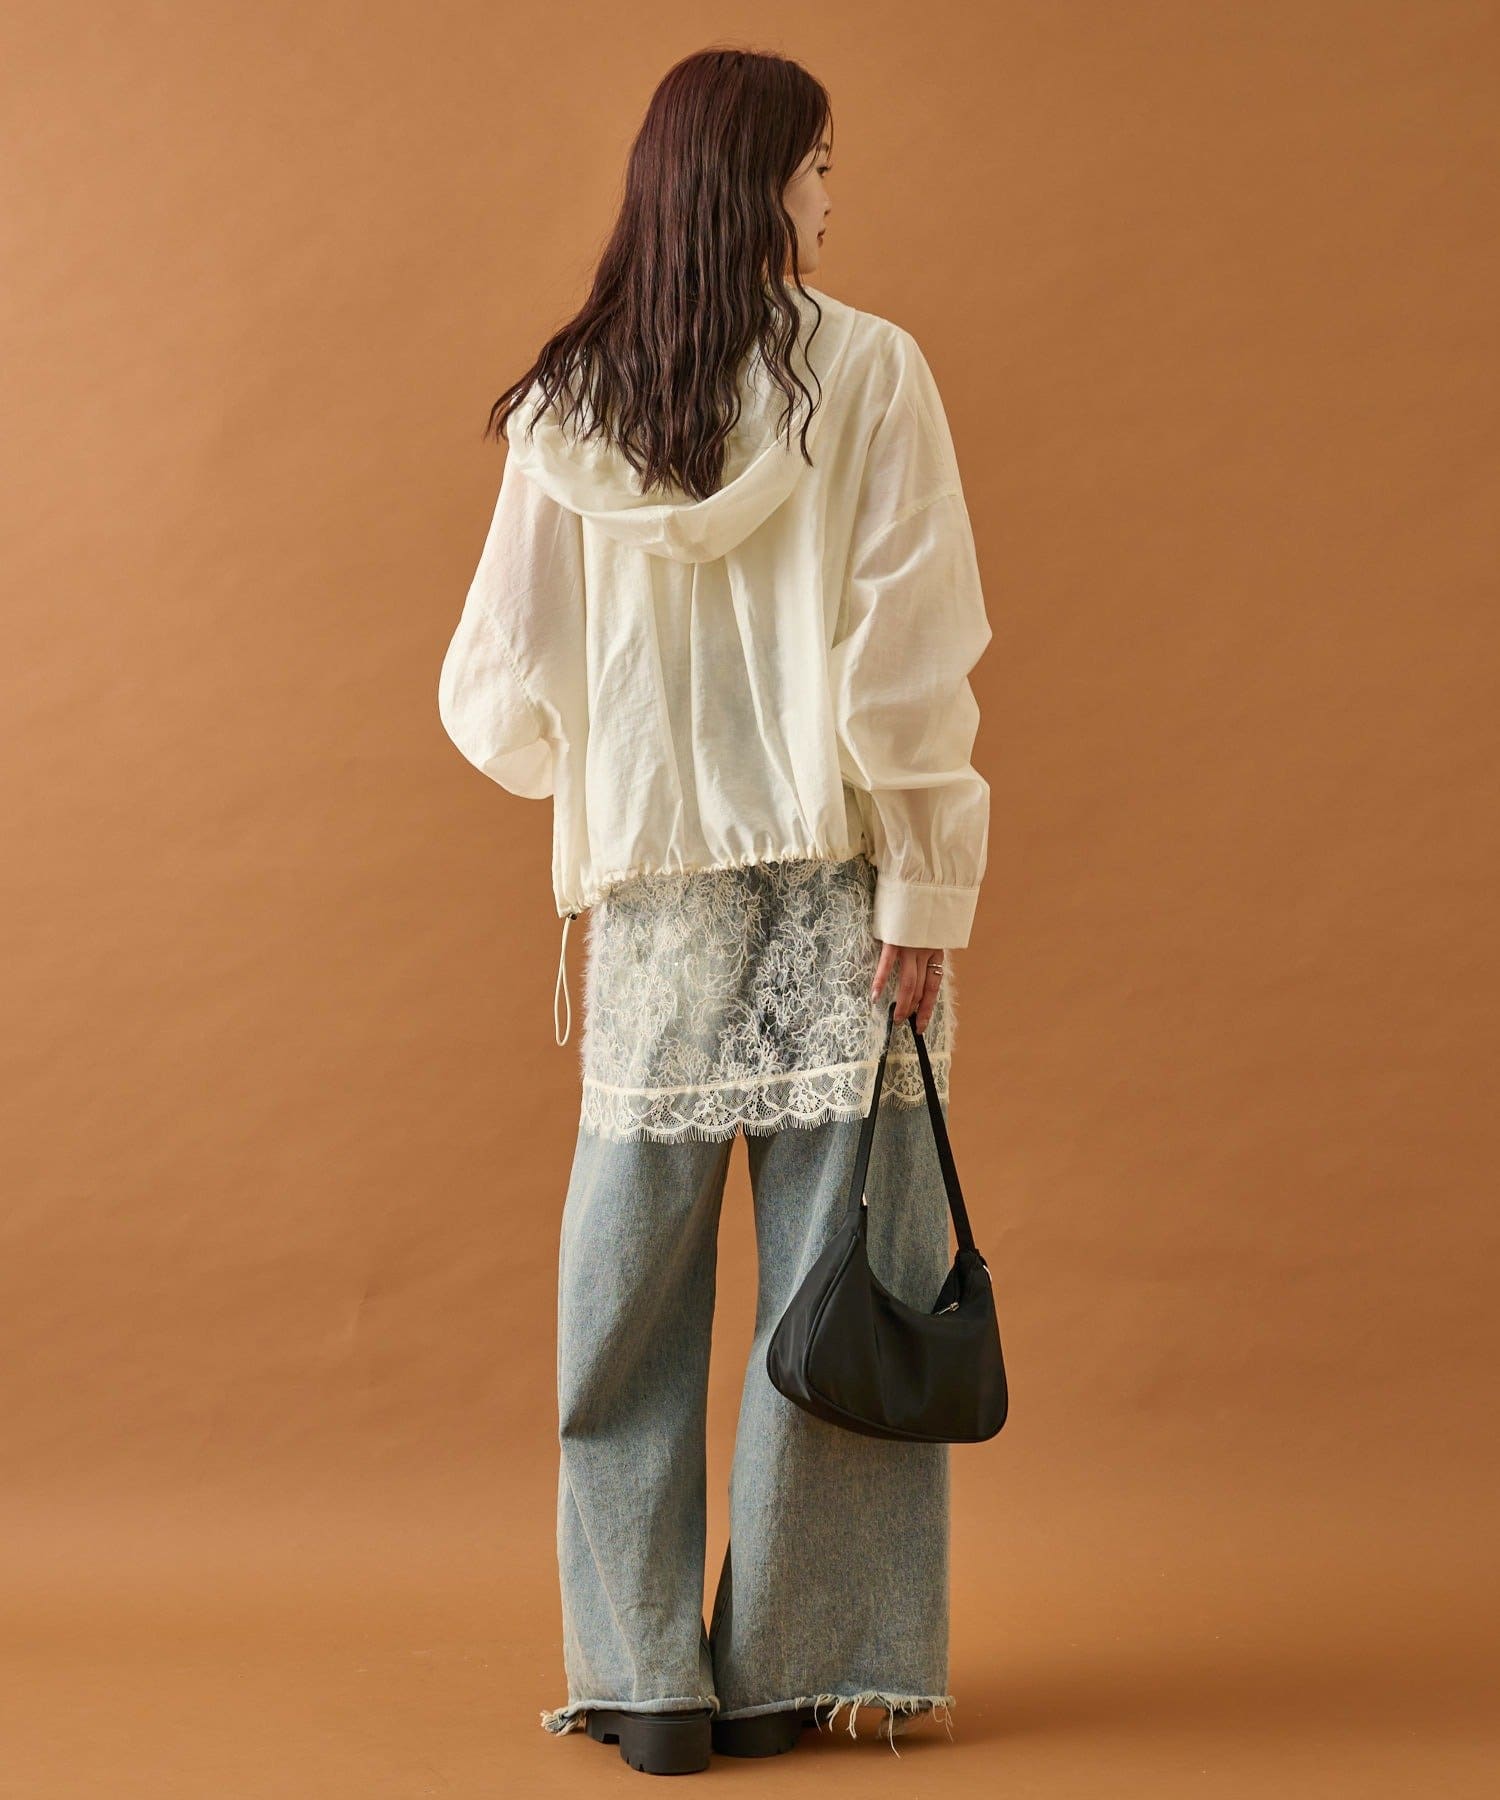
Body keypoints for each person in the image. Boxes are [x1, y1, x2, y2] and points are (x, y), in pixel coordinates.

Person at [437, 46, 992, 1777]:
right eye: (819, 163)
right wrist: (929, 878)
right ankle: (791, 1666)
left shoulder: (571, 403)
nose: (835, 193)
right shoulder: (871, 371)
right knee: (844, 1283)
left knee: (625, 1292)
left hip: (656, 906)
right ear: (759, 184)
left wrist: (612, 781)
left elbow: (493, 689)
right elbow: (905, 659)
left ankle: (641, 1678)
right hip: (846, 887)